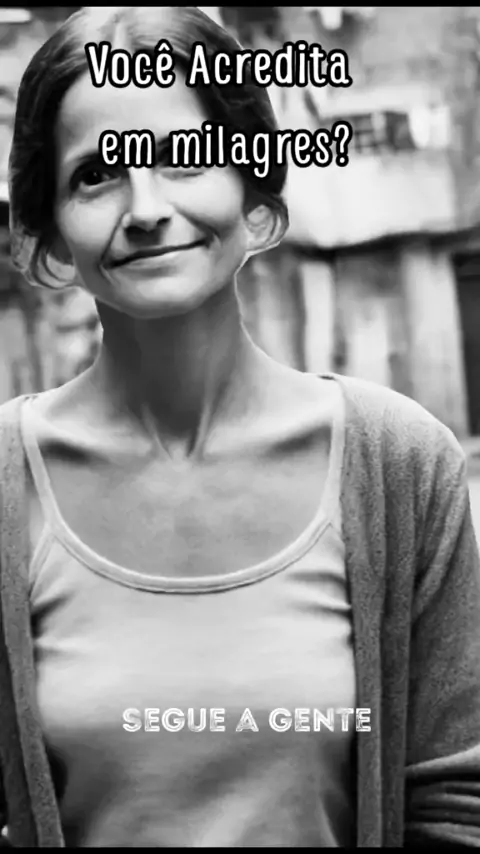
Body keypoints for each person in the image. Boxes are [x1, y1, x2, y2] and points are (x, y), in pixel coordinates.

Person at [1, 5, 480, 848]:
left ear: (256, 195)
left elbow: (455, 804)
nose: (146, 207)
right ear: (50, 237)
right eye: (97, 175)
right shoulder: (6, 482)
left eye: (184, 158)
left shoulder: (400, 464)